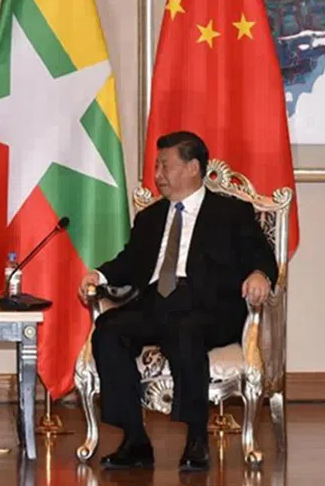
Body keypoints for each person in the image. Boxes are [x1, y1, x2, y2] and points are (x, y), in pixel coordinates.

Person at [79, 131, 277, 472]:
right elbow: (129, 262)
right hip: (157, 303)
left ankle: (197, 438)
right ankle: (135, 439)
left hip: (209, 307)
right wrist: (100, 275)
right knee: (108, 328)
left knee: (186, 330)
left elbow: (262, 256)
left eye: (165, 166)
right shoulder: (150, 217)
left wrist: (259, 274)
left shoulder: (231, 212)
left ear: (193, 168)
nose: (158, 175)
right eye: (156, 166)